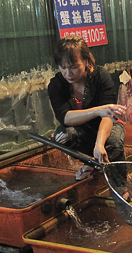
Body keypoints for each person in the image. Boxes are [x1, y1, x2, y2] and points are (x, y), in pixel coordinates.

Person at [48, 35, 127, 181]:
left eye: (73, 67)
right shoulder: (56, 84)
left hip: (108, 125)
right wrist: (97, 110)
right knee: (62, 136)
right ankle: (89, 162)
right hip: (81, 129)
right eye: (63, 68)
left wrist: (99, 144)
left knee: (114, 145)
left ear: (86, 61)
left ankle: (120, 185)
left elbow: (108, 117)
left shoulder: (101, 76)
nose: (68, 73)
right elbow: (64, 117)